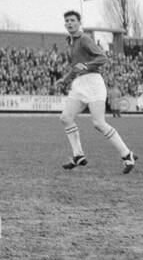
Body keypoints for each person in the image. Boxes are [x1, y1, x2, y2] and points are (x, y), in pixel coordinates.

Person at [58, 11, 138, 173]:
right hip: (79, 83)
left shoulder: (85, 39)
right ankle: (78, 156)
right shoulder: (70, 42)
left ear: (79, 23)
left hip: (93, 82)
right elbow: (77, 66)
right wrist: (65, 79)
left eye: (73, 20)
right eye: (67, 21)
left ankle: (127, 155)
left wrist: (86, 66)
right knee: (66, 118)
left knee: (98, 123)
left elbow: (103, 58)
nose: (69, 23)